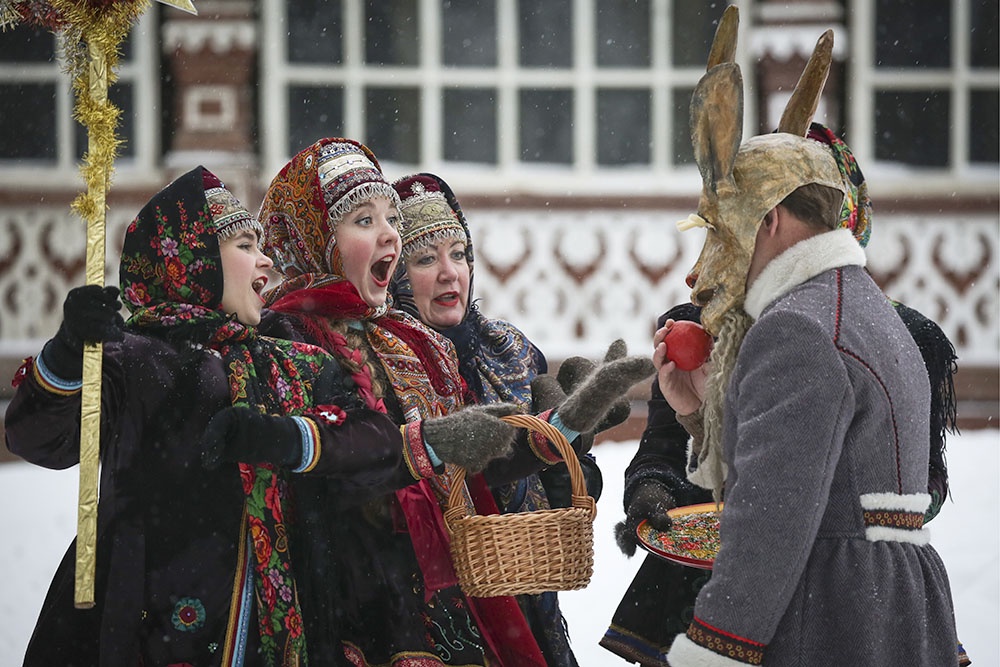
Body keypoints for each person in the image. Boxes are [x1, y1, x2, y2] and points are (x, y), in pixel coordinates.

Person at [4, 166, 522, 666]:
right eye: (245, 248)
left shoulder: (288, 359)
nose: (266, 264)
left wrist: (287, 438)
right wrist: (68, 354)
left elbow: (374, 441)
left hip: (274, 632)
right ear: (195, 258)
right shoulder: (133, 359)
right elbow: (37, 439)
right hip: (141, 619)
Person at [256, 137, 653, 666]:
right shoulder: (286, 338)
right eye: (363, 220)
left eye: (389, 219)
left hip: (454, 605)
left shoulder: (411, 343)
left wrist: (566, 427)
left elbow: (470, 472)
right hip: (352, 609)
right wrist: (430, 448)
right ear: (315, 236)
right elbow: (332, 470)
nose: (388, 236)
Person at [655, 25, 963, 664]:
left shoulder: (796, 329)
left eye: (722, 224)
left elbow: (771, 520)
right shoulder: (863, 307)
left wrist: (716, 649)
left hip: (831, 619)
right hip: (895, 613)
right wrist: (703, 409)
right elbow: (824, 473)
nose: (702, 263)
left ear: (768, 219)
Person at [390, 172, 621, 666]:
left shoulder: (511, 351)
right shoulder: (387, 363)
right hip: (436, 613)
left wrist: (570, 457)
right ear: (394, 275)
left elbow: (575, 486)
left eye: (459, 253)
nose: (450, 272)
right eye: (425, 259)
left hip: (526, 595)